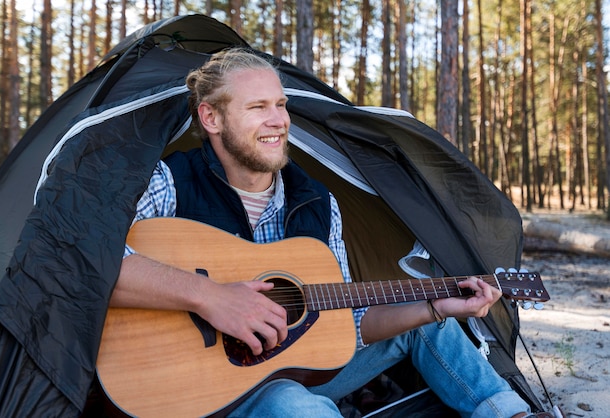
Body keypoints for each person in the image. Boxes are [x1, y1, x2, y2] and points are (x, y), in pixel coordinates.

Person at [110, 47, 556, 418]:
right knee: (295, 405)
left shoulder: (318, 203)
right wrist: (211, 297)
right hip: (207, 386)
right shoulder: (170, 182)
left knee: (430, 321)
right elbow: (93, 262)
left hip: (294, 368)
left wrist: (437, 306)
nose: (278, 120)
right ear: (211, 118)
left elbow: (354, 326)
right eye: (258, 107)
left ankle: (511, 413)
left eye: (281, 104)